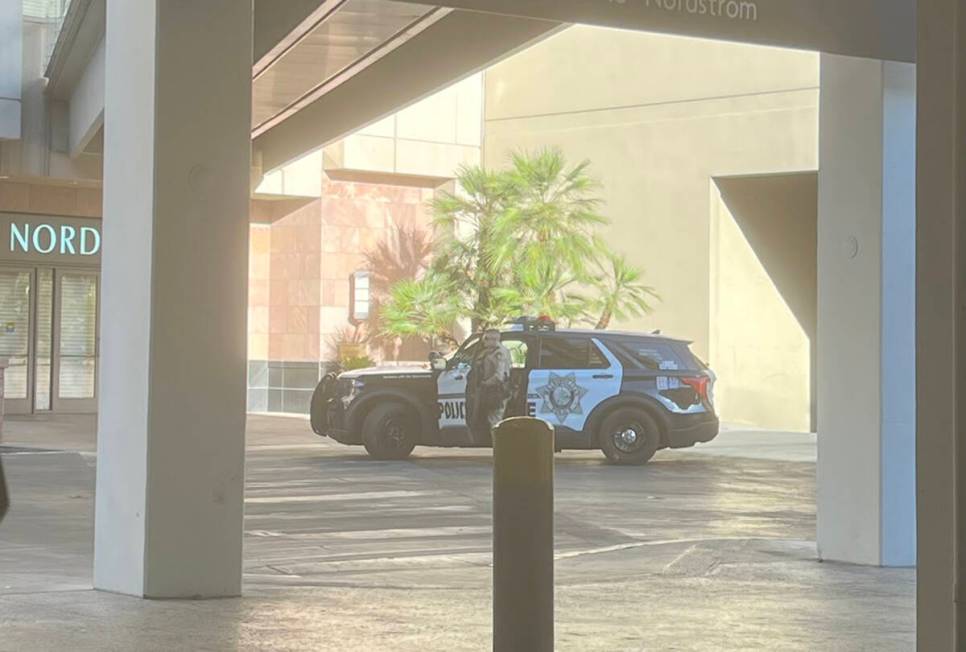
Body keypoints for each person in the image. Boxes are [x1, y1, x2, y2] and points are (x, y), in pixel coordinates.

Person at [466, 328, 512, 443]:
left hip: (496, 391)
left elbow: (499, 376)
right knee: (491, 419)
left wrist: (485, 383)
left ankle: (499, 447)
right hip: (490, 390)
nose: (483, 341)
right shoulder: (489, 351)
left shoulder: (499, 353)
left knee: (494, 420)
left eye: (486, 339)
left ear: (494, 339)